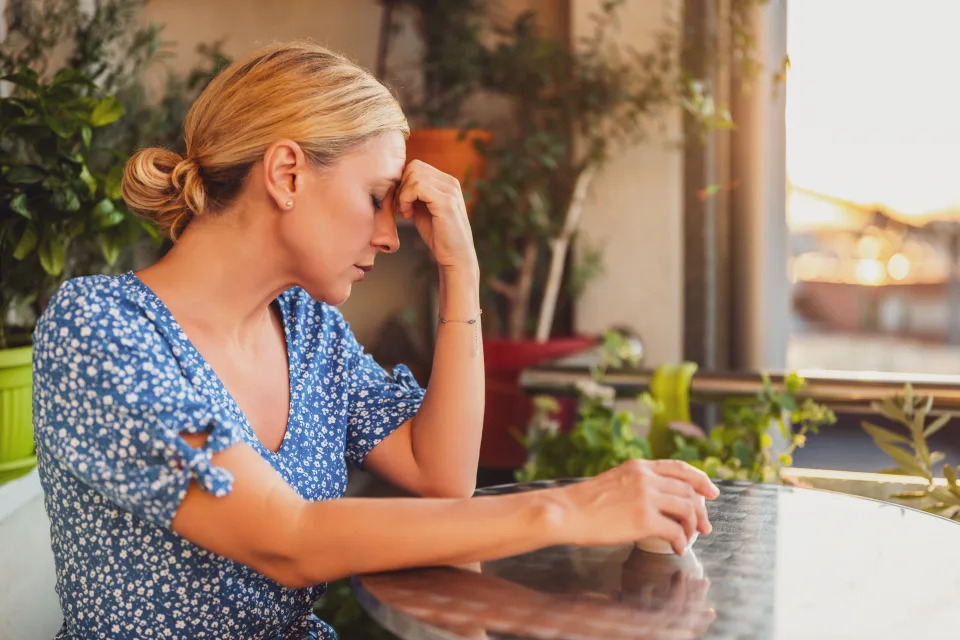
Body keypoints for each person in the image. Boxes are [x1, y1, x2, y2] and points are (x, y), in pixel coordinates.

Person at [31, 41, 718, 640]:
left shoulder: (305, 327)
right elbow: (286, 539)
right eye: (375, 198)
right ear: (287, 173)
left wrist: (462, 271)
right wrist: (567, 508)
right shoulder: (100, 331)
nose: (391, 237)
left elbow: (442, 477)